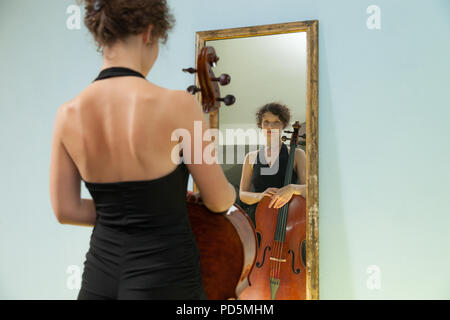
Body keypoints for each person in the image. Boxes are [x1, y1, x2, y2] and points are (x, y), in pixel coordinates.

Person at [49, 0, 236, 300]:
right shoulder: (178, 106)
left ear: (102, 36)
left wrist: (124, 214)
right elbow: (217, 201)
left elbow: (66, 210)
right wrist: (228, 193)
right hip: (166, 279)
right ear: (149, 33)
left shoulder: (68, 114)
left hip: (99, 280)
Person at [238, 102, 306, 229]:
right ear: (261, 125)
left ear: (283, 125)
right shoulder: (250, 157)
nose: (270, 126)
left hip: (289, 222)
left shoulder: (296, 154)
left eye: (276, 122)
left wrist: (292, 188)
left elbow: (310, 189)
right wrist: (260, 196)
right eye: (266, 122)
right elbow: (242, 194)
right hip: (257, 223)